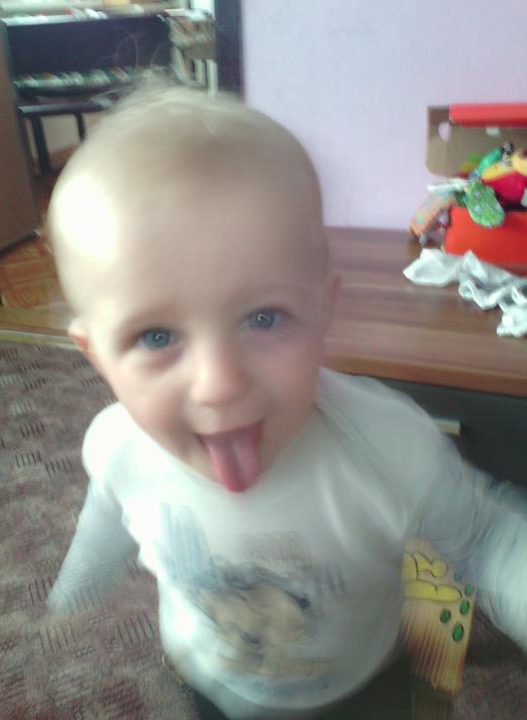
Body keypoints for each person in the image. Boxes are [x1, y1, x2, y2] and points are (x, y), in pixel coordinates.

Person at [46, 85, 527, 720]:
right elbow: (105, 518)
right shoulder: (116, 447)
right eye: (156, 336)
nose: (219, 384)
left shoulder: (387, 444)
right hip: (207, 677)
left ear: (324, 310)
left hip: (362, 688)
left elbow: (488, 537)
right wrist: (75, 593)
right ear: (97, 355)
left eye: (264, 317)